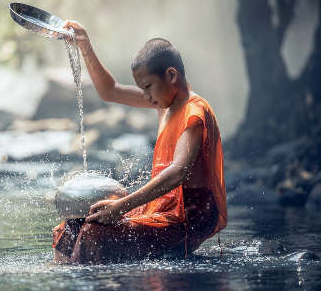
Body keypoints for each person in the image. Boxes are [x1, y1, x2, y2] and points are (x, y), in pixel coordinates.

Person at [52, 21, 227, 263]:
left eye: (147, 87)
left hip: (187, 218)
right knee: (69, 227)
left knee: (93, 232)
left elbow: (179, 172)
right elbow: (110, 91)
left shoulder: (194, 112)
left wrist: (122, 206)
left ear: (171, 75)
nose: (145, 97)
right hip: (160, 208)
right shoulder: (163, 102)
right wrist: (85, 46)